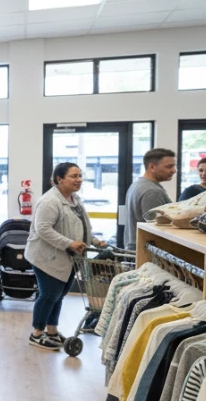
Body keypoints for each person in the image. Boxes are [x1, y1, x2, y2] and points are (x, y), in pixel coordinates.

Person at [25, 162, 106, 350]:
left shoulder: (74, 199)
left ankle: (52, 331)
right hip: (47, 257)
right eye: (73, 176)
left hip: (67, 257)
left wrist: (94, 241)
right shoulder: (49, 201)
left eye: (80, 176)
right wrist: (69, 243)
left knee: (59, 295)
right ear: (59, 179)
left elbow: (80, 227)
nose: (79, 180)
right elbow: (43, 229)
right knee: (49, 294)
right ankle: (36, 334)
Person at [123, 147, 176, 251]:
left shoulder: (138, 185)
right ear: (152, 167)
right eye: (169, 166)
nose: (174, 170)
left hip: (136, 247)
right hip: (145, 252)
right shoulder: (152, 192)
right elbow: (156, 230)